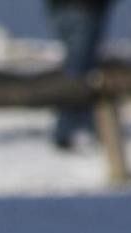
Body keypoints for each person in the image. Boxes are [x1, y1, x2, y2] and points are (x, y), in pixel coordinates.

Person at [45, 0, 117, 149]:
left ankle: (84, 124)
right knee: (79, 70)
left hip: (62, 7)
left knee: (79, 67)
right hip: (85, 8)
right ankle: (68, 129)